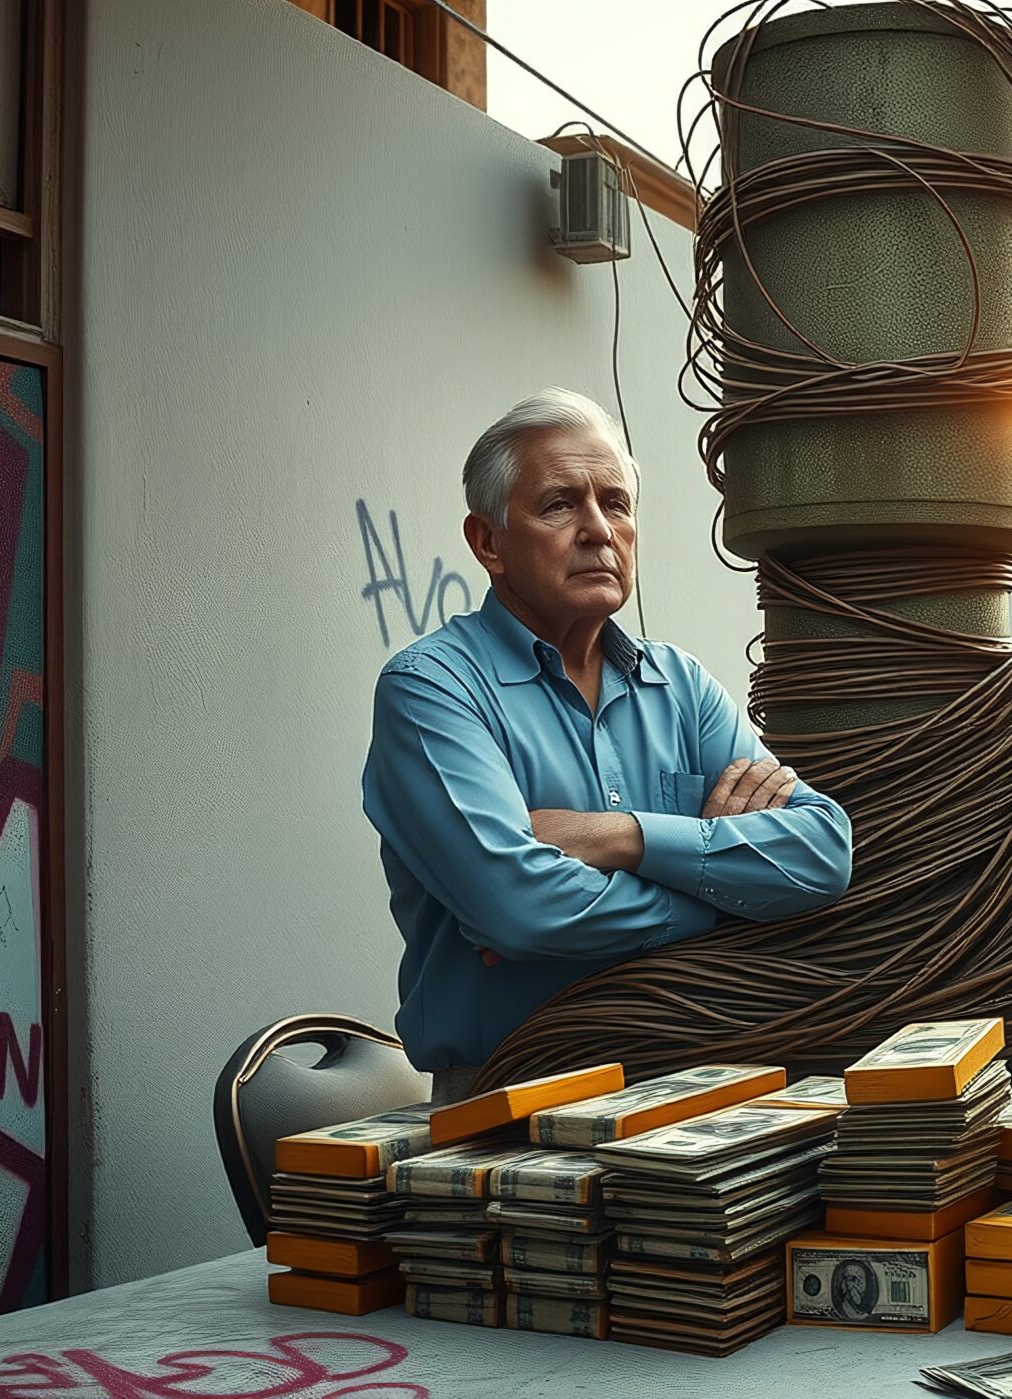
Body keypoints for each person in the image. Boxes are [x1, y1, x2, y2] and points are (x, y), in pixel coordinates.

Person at [363, 388, 854, 1094]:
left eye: (616, 503)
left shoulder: (679, 685)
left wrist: (618, 837)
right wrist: (721, 888)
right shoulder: (432, 689)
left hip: (695, 1085)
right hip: (510, 1101)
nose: (599, 529)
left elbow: (821, 850)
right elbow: (520, 909)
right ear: (488, 542)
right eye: (560, 504)